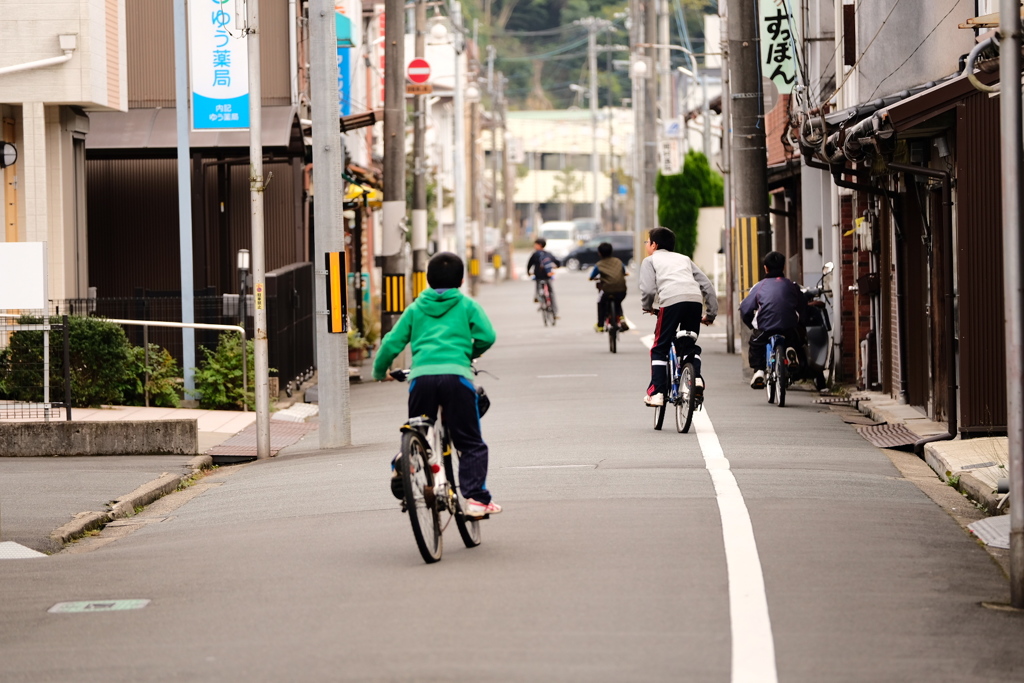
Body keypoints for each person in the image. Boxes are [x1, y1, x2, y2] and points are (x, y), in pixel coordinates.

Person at [372, 252, 501, 518]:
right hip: (457, 378)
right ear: (461, 279)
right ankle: (476, 499)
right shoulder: (466, 305)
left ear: (427, 280)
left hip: (422, 379)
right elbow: (487, 336)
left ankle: (404, 460)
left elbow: (391, 343)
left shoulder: (416, 308)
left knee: (419, 427)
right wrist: (470, 353)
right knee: (470, 442)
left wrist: (379, 371)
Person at [639, 227, 718, 407]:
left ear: (654, 244)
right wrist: (711, 314)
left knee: (660, 347)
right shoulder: (684, 259)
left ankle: (658, 392)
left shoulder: (650, 261)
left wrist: (647, 306)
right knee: (688, 344)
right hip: (694, 302)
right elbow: (707, 286)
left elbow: (649, 289)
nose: (647, 245)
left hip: (671, 302)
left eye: (647, 242)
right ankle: (696, 378)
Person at [740, 250, 809, 389]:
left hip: (765, 327)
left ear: (765, 268)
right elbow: (803, 306)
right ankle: (790, 350)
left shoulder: (759, 287)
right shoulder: (792, 286)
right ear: (783, 267)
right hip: (789, 327)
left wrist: (752, 326)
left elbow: (745, 309)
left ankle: (759, 372)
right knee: (796, 339)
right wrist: (801, 323)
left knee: (756, 344)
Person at [589, 242, 629, 333]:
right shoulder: (618, 261)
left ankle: (600, 325)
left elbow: (592, 276)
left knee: (600, 302)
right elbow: (623, 271)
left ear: (599, 253)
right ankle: (622, 318)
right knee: (617, 301)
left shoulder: (599, 264)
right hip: (622, 290)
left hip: (607, 290)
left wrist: (592, 278)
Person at [526, 238, 560, 318]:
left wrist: (528, 272)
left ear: (539, 245)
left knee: (538, 287)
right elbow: (557, 262)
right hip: (548, 276)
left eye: (535, 244)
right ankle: (554, 310)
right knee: (551, 292)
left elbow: (529, 264)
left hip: (538, 276)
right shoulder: (548, 254)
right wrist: (557, 266)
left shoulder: (535, 254)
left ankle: (538, 298)